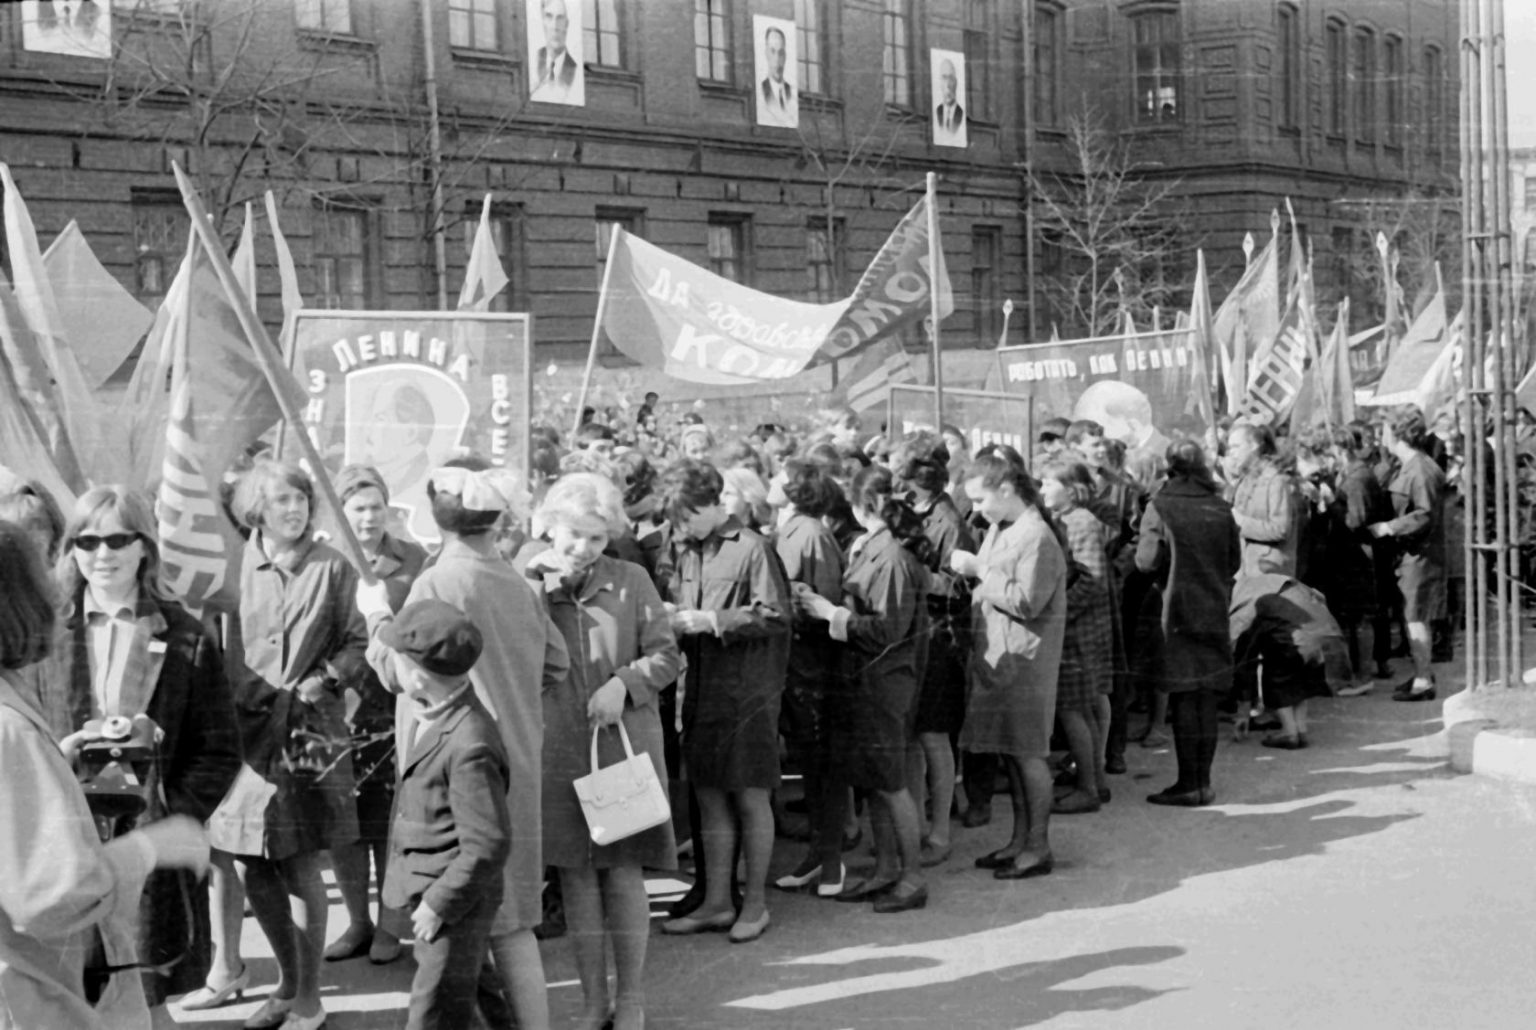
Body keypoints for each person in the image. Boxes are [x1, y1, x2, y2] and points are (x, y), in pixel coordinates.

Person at [363, 459, 569, 1030]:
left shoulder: (437, 581)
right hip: (517, 760)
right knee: (513, 923)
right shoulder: (515, 581)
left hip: (451, 771)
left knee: (456, 927)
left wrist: (375, 615)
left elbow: (403, 667)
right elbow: (557, 663)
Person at [0, 518, 212, 1030]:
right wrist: (154, 846)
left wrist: (59, 772)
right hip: (37, 993)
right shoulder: (11, 729)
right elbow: (54, 896)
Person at [44, 488, 241, 1029]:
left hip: (143, 851)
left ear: (144, 548)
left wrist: (168, 810)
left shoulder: (185, 638)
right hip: (62, 843)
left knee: (143, 997)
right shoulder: (42, 635)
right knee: (66, 995)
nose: (101, 554)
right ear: (71, 549)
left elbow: (220, 747)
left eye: (116, 539)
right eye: (87, 540)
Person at [525, 474, 680, 1030]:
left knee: (622, 873)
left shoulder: (631, 578)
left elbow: (666, 656)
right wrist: (537, 593)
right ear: (548, 526)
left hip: (621, 744)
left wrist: (624, 682)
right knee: (575, 879)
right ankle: (594, 1000)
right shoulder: (523, 576)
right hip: (555, 743)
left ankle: (632, 997)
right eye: (573, 535)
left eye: (595, 538)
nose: (584, 549)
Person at [225, 460, 368, 1030]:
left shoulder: (334, 566)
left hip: (309, 729)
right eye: (280, 500)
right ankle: (286, 983)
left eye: (301, 499)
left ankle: (310, 997)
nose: (293, 509)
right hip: (246, 733)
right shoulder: (236, 565)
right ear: (256, 509)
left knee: (302, 859)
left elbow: (360, 642)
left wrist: (327, 678)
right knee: (246, 860)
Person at [656, 460, 791, 944]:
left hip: (746, 694)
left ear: (717, 503)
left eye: (689, 515)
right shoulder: (684, 548)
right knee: (709, 795)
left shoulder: (753, 548)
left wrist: (711, 621)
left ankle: (753, 904)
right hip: (700, 690)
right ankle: (716, 901)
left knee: (750, 796)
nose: (681, 526)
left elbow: (776, 615)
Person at [798, 466, 932, 912]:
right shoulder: (876, 548)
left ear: (864, 507)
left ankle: (912, 878)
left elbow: (885, 631)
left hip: (883, 682)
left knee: (892, 785)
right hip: (869, 681)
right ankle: (886, 868)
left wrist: (827, 612)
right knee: (876, 783)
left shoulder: (891, 557)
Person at [376, 600, 510, 1030]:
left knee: (433, 1013)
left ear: (416, 674)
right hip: (440, 888)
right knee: (476, 996)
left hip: (453, 898)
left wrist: (439, 903)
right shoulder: (438, 711)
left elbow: (488, 843)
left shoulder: (469, 742)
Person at [323, 466, 428, 967]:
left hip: (395, 707)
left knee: (390, 824)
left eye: (375, 507)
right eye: (358, 508)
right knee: (344, 825)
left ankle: (391, 925)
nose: (367, 518)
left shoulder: (414, 560)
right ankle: (357, 922)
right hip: (336, 710)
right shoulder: (327, 560)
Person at [952, 449, 1068, 880]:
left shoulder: (1035, 536)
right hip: (1002, 660)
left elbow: (1026, 600)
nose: (976, 511)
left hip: (1026, 663)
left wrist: (979, 569)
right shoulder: (1004, 527)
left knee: (1029, 755)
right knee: (1013, 756)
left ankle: (1038, 847)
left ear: (1006, 489)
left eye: (980, 501)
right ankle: (1020, 840)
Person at [1134, 441, 1241, 805]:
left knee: (1182, 694)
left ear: (1170, 467)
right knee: (1205, 696)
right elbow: (1234, 562)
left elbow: (1146, 562)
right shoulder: (1220, 507)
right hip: (1212, 607)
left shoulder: (1160, 506)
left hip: (1173, 611)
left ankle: (1187, 784)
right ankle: (1203, 782)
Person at [767, 459, 849, 898]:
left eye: (779, 476)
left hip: (813, 666)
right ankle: (820, 854)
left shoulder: (811, 534)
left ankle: (830, 858)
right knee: (811, 763)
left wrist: (798, 600)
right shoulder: (790, 529)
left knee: (822, 765)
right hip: (795, 664)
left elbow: (827, 603)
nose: (771, 481)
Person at [892, 435, 974, 863]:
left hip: (940, 636)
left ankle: (940, 831)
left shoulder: (948, 520)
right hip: (911, 633)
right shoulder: (911, 507)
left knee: (934, 738)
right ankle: (918, 825)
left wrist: (911, 575)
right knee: (911, 736)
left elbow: (960, 587)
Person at [1037, 459, 1114, 815]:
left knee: (1073, 709)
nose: (1042, 490)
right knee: (1079, 708)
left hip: (1078, 631)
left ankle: (1088, 785)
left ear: (1070, 489)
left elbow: (1092, 581)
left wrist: (1059, 612)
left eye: (1048, 484)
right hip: (1076, 628)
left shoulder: (1080, 522)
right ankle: (1094, 779)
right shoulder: (1065, 521)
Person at [1370, 406, 1448, 702]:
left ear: (1397, 433)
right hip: (1410, 556)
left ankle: (1424, 680)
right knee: (1411, 617)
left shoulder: (1421, 469)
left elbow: (1425, 514)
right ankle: (1421, 673)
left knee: (1417, 619)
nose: (1382, 436)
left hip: (1420, 556)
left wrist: (1390, 527)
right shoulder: (1408, 465)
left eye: (1385, 429)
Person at [1226, 421, 1301, 577]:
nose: (1231, 453)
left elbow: (1280, 529)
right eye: (1230, 448)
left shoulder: (1276, 480)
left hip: (1269, 573)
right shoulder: (1244, 479)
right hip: (1245, 571)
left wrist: (1241, 522)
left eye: (1236, 446)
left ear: (1254, 446)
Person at [531, 0, 581, 104]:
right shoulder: (533, 61)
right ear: (543, 22)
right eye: (549, 17)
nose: (555, 26)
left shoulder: (575, 70)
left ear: (566, 25)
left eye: (560, 18)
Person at [757, 25, 796, 128]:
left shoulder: (791, 92)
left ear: (786, 55)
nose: (777, 59)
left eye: (781, 53)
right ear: (766, 53)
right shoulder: (761, 90)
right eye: (773, 51)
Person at [933, 58, 966, 145]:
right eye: (944, 78)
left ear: (956, 83)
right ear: (939, 82)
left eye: (951, 79)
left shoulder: (961, 113)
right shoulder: (937, 111)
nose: (947, 85)